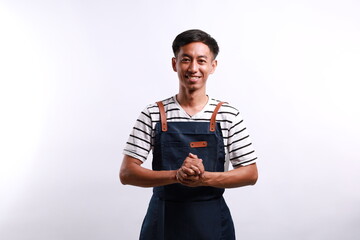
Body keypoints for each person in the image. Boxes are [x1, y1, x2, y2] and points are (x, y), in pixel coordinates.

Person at [120, 29, 258, 240]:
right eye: (186, 59)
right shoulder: (153, 113)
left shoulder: (228, 114)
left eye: (201, 61)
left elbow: (250, 174)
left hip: (212, 221)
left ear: (213, 66)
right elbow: (127, 173)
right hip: (163, 220)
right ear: (175, 64)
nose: (193, 68)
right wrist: (177, 175)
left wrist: (203, 179)